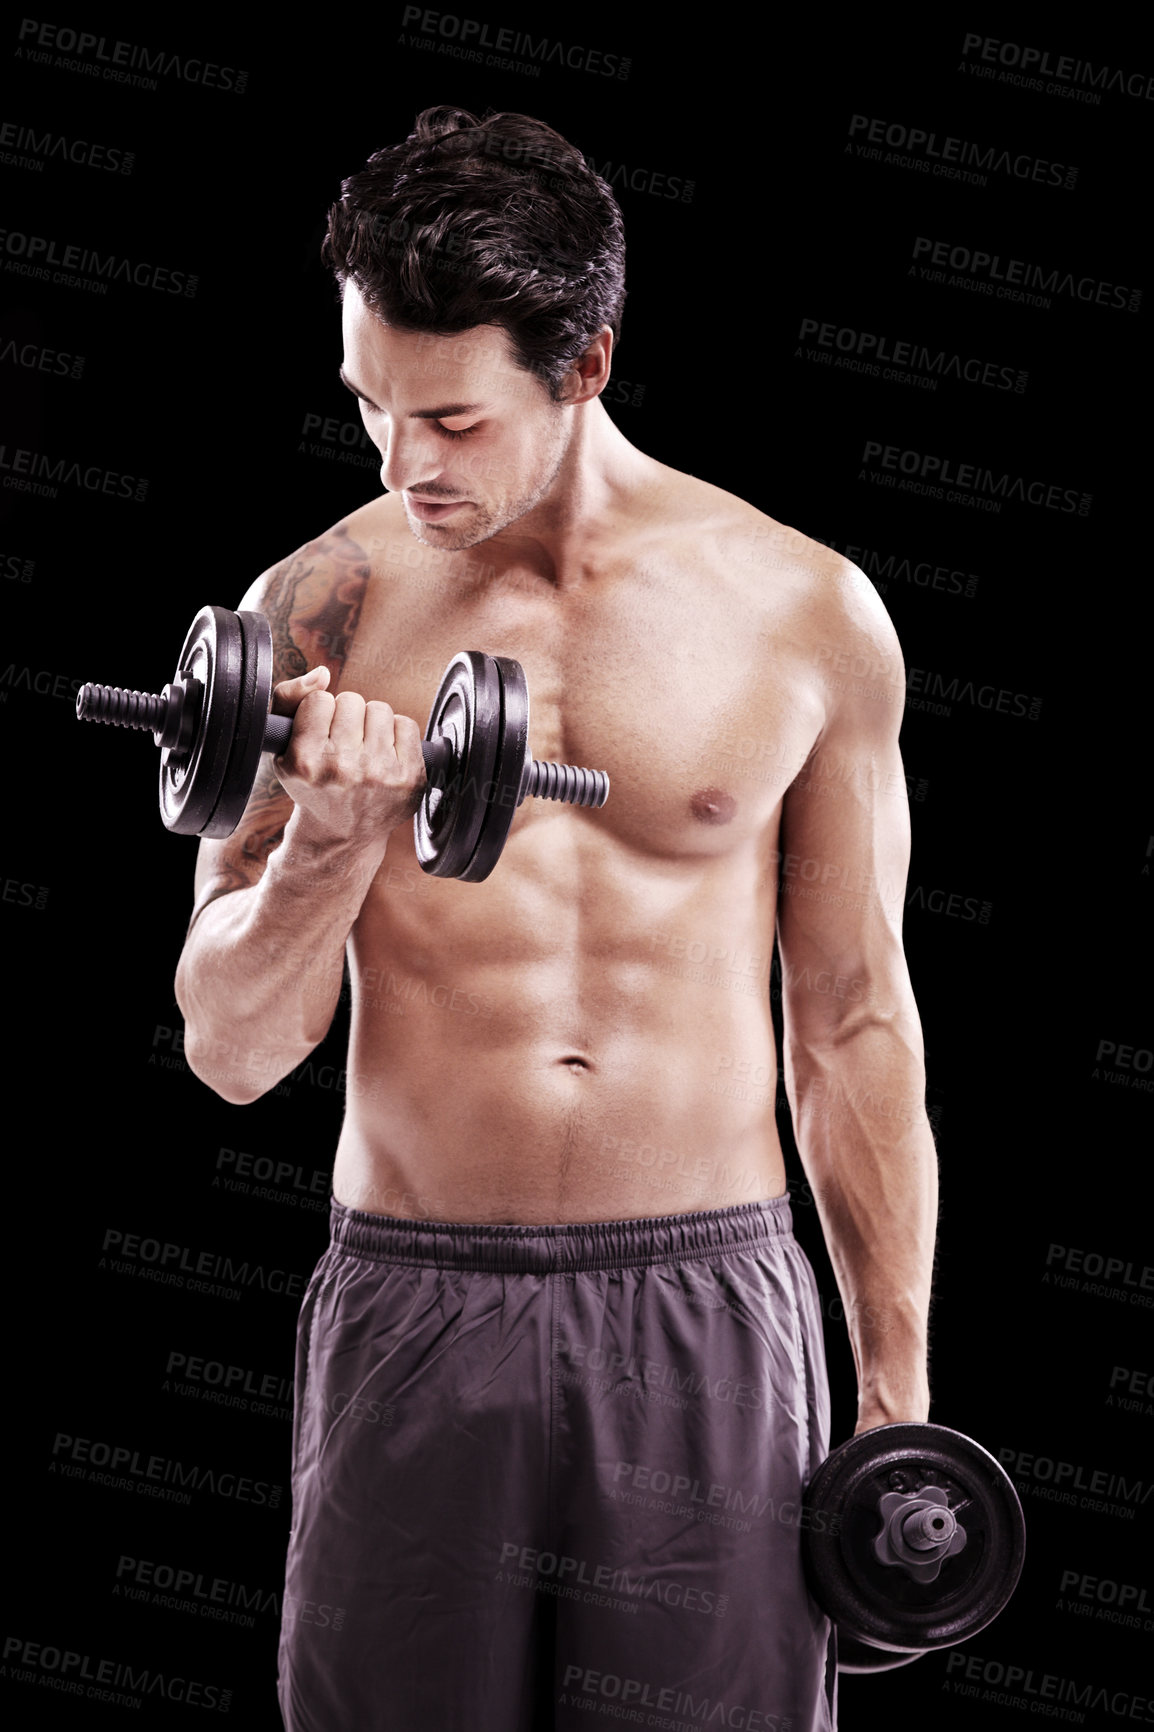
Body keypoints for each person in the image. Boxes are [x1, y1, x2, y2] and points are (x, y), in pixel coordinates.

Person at [175, 105, 937, 1732]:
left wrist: (894, 1387)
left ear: (584, 362)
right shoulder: (315, 610)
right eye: (371, 408)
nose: (401, 465)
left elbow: (856, 1020)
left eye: (449, 419)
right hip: (413, 1303)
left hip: (707, 1314)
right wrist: (334, 835)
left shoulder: (800, 611)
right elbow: (232, 1050)